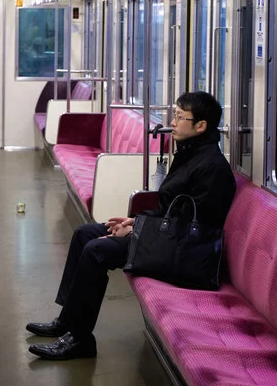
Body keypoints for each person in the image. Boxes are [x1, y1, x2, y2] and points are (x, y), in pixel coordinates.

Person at [26, 91, 236, 360]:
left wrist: (137, 231)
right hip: (167, 238)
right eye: (174, 114)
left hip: (187, 254)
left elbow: (186, 225)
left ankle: (80, 340)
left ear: (201, 126)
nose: (173, 121)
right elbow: (168, 208)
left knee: (96, 251)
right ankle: (67, 322)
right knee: (84, 233)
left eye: (180, 117)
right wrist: (135, 221)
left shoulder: (212, 168)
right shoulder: (189, 154)